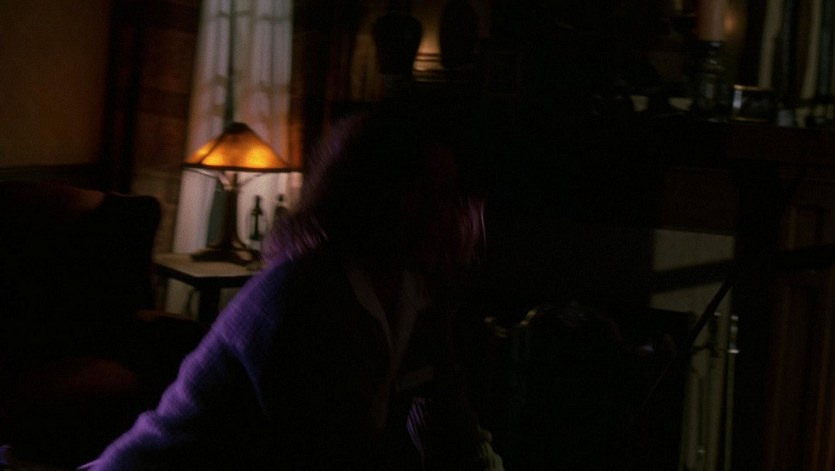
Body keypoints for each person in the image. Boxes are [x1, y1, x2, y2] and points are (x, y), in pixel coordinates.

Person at [86, 103, 502, 471]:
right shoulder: (302, 297)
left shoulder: (415, 296)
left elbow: (457, 428)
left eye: (446, 192)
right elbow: (333, 453)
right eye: (418, 189)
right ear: (369, 193)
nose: (440, 212)